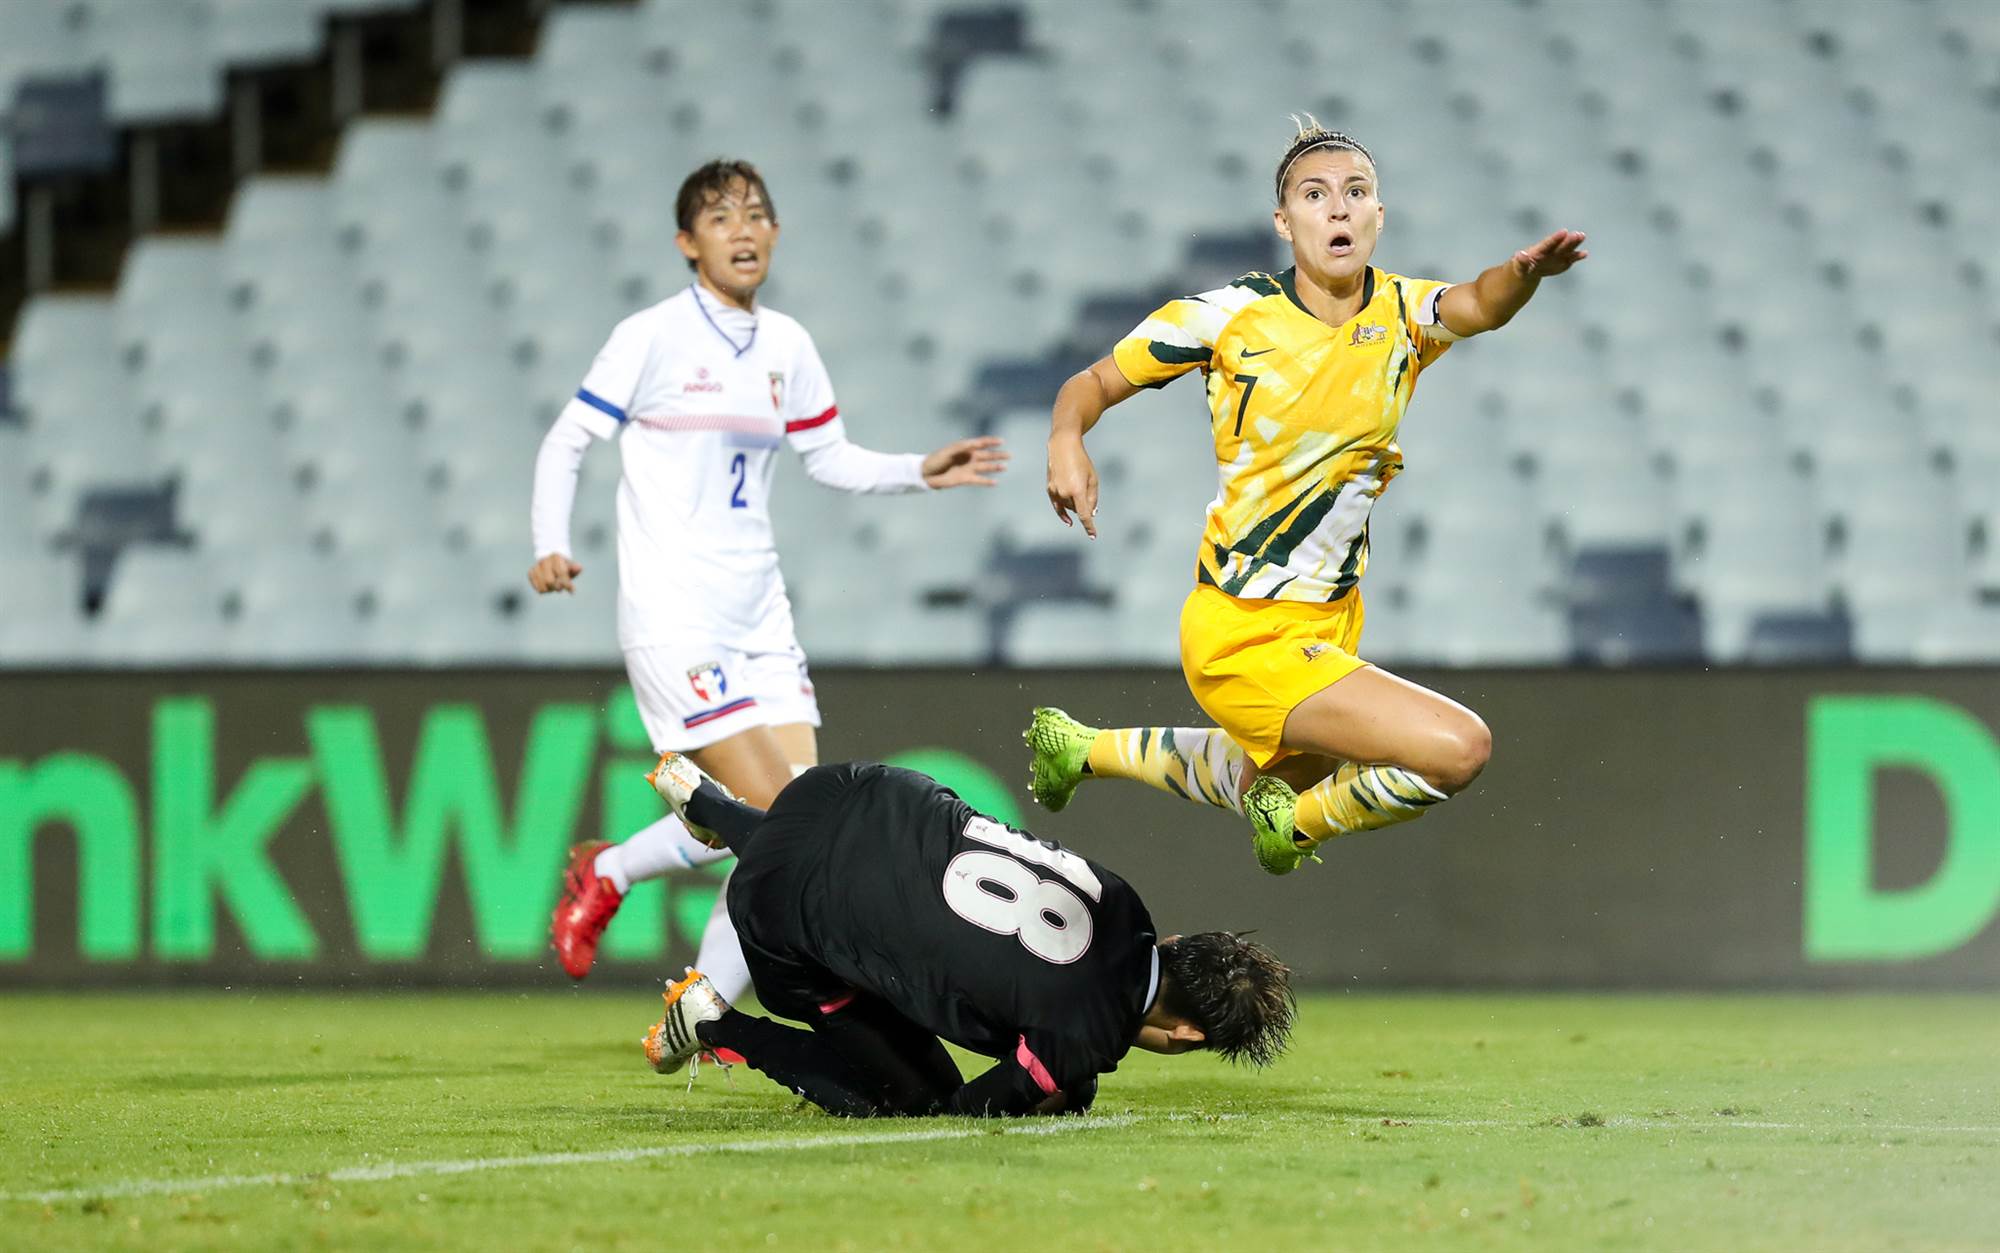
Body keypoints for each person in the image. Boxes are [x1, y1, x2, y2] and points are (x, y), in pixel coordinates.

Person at [1030, 118, 1588, 875]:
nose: (1338, 208)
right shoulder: (1227, 317)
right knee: (1459, 748)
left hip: (1331, 620)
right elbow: (1091, 382)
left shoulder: (1403, 315)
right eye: (1315, 194)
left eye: (1356, 193)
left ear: (1378, 217)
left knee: (1261, 775)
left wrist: (1522, 274)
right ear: (1284, 222)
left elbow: (1480, 303)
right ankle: (1294, 828)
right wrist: (1068, 438)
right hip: (1242, 626)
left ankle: (1083, 748)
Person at [532, 159, 1007, 988]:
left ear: (777, 233)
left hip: (761, 616)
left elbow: (828, 456)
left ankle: (679, 965)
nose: (743, 229)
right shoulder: (651, 336)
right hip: (676, 613)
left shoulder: (787, 344)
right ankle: (674, 949)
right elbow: (568, 438)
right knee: (785, 820)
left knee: (775, 819)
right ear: (687, 242)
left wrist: (919, 470)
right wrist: (549, 540)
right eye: (720, 218)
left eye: (756, 214)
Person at [639, 752, 1295, 1117]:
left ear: (1177, 939)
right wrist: (1056, 1083)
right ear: (1186, 1035)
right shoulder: (1083, 1033)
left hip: (854, 787)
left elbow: (1030, 976)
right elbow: (972, 1108)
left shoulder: (1124, 900)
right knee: (910, 1098)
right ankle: (712, 1021)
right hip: (785, 920)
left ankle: (711, 806)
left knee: (882, 862)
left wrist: (1067, 1073)